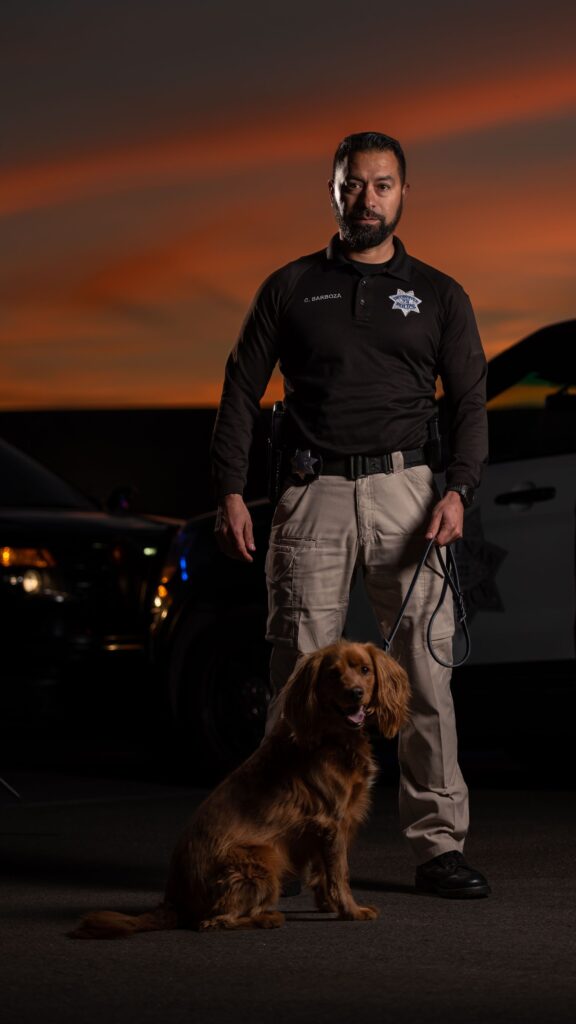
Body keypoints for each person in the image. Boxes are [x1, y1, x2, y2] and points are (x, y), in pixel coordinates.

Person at [211, 131, 490, 899]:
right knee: (299, 678)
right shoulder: (292, 285)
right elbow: (242, 386)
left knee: (425, 678)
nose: (366, 199)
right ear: (332, 191)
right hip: (314, 494)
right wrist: (232, 488)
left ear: (403, 193)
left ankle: (439, 845)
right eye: (352, 185)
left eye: (382, 185)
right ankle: (284, 842)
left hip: (409, 492)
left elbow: (469, 402)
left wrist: (459, 489)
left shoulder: (438, 293)